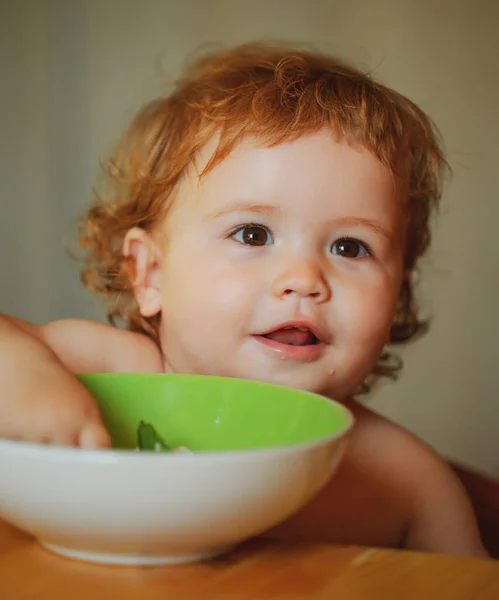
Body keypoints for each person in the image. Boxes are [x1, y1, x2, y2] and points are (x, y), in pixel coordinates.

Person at [0, 43, 487, 557]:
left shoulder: (407, 481)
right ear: (151, 274)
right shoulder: (111, 376)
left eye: (350, 246)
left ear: (397, 294)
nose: (303, 279)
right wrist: (20, 372)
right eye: (253, 235)